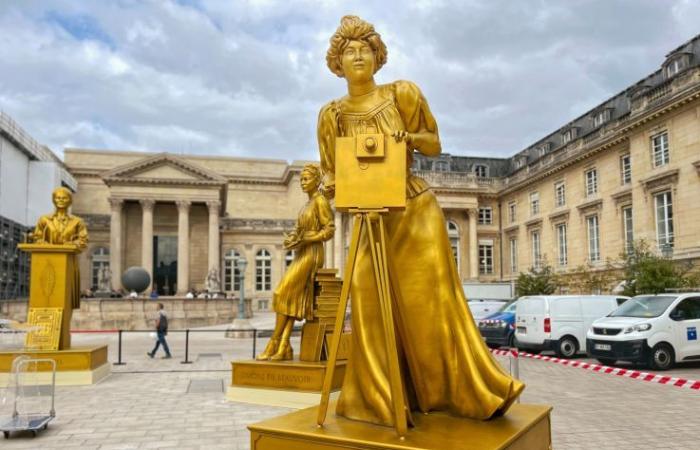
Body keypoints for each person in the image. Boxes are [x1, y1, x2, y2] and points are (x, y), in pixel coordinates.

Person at [316, 16, 524, 427]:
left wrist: (406, 141)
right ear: (337, 63)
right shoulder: (331, 115)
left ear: (378, 57)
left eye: (365, 50)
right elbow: (330, 173)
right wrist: (329, 186)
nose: (358, 56)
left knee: (431, 306)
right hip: (368, 215)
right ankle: (379, 400)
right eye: (348, 52)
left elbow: (433, 141)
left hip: (413, 208)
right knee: (368, 301)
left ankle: (455, 395)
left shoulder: (402, 94)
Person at [256, 163, 335, 361]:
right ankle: (284, 346)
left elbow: (330, 229)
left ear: (316, 180)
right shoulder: (305, 206)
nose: (302, 182)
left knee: (281, 292)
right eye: (300, 179)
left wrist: (311, 238)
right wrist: (292, 239)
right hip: (302, 251)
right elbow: (299, 231)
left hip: (313, 253)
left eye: (306, 179)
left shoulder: (320, 201)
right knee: (289, 298)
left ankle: (274, 342)